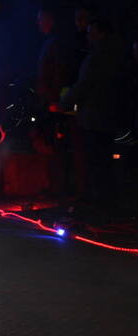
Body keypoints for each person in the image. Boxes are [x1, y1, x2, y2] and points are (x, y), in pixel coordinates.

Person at [59, 17, 126, 216]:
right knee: (104, 161)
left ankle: (102, 205)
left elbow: (86, 83)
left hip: (97, 115)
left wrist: (64, 102)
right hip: (107, 114)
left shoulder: (99, 55)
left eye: (90, 31)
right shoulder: (116, 53)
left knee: (97, 161)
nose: (87, 35)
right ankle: (107, 203)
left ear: (101, 32)